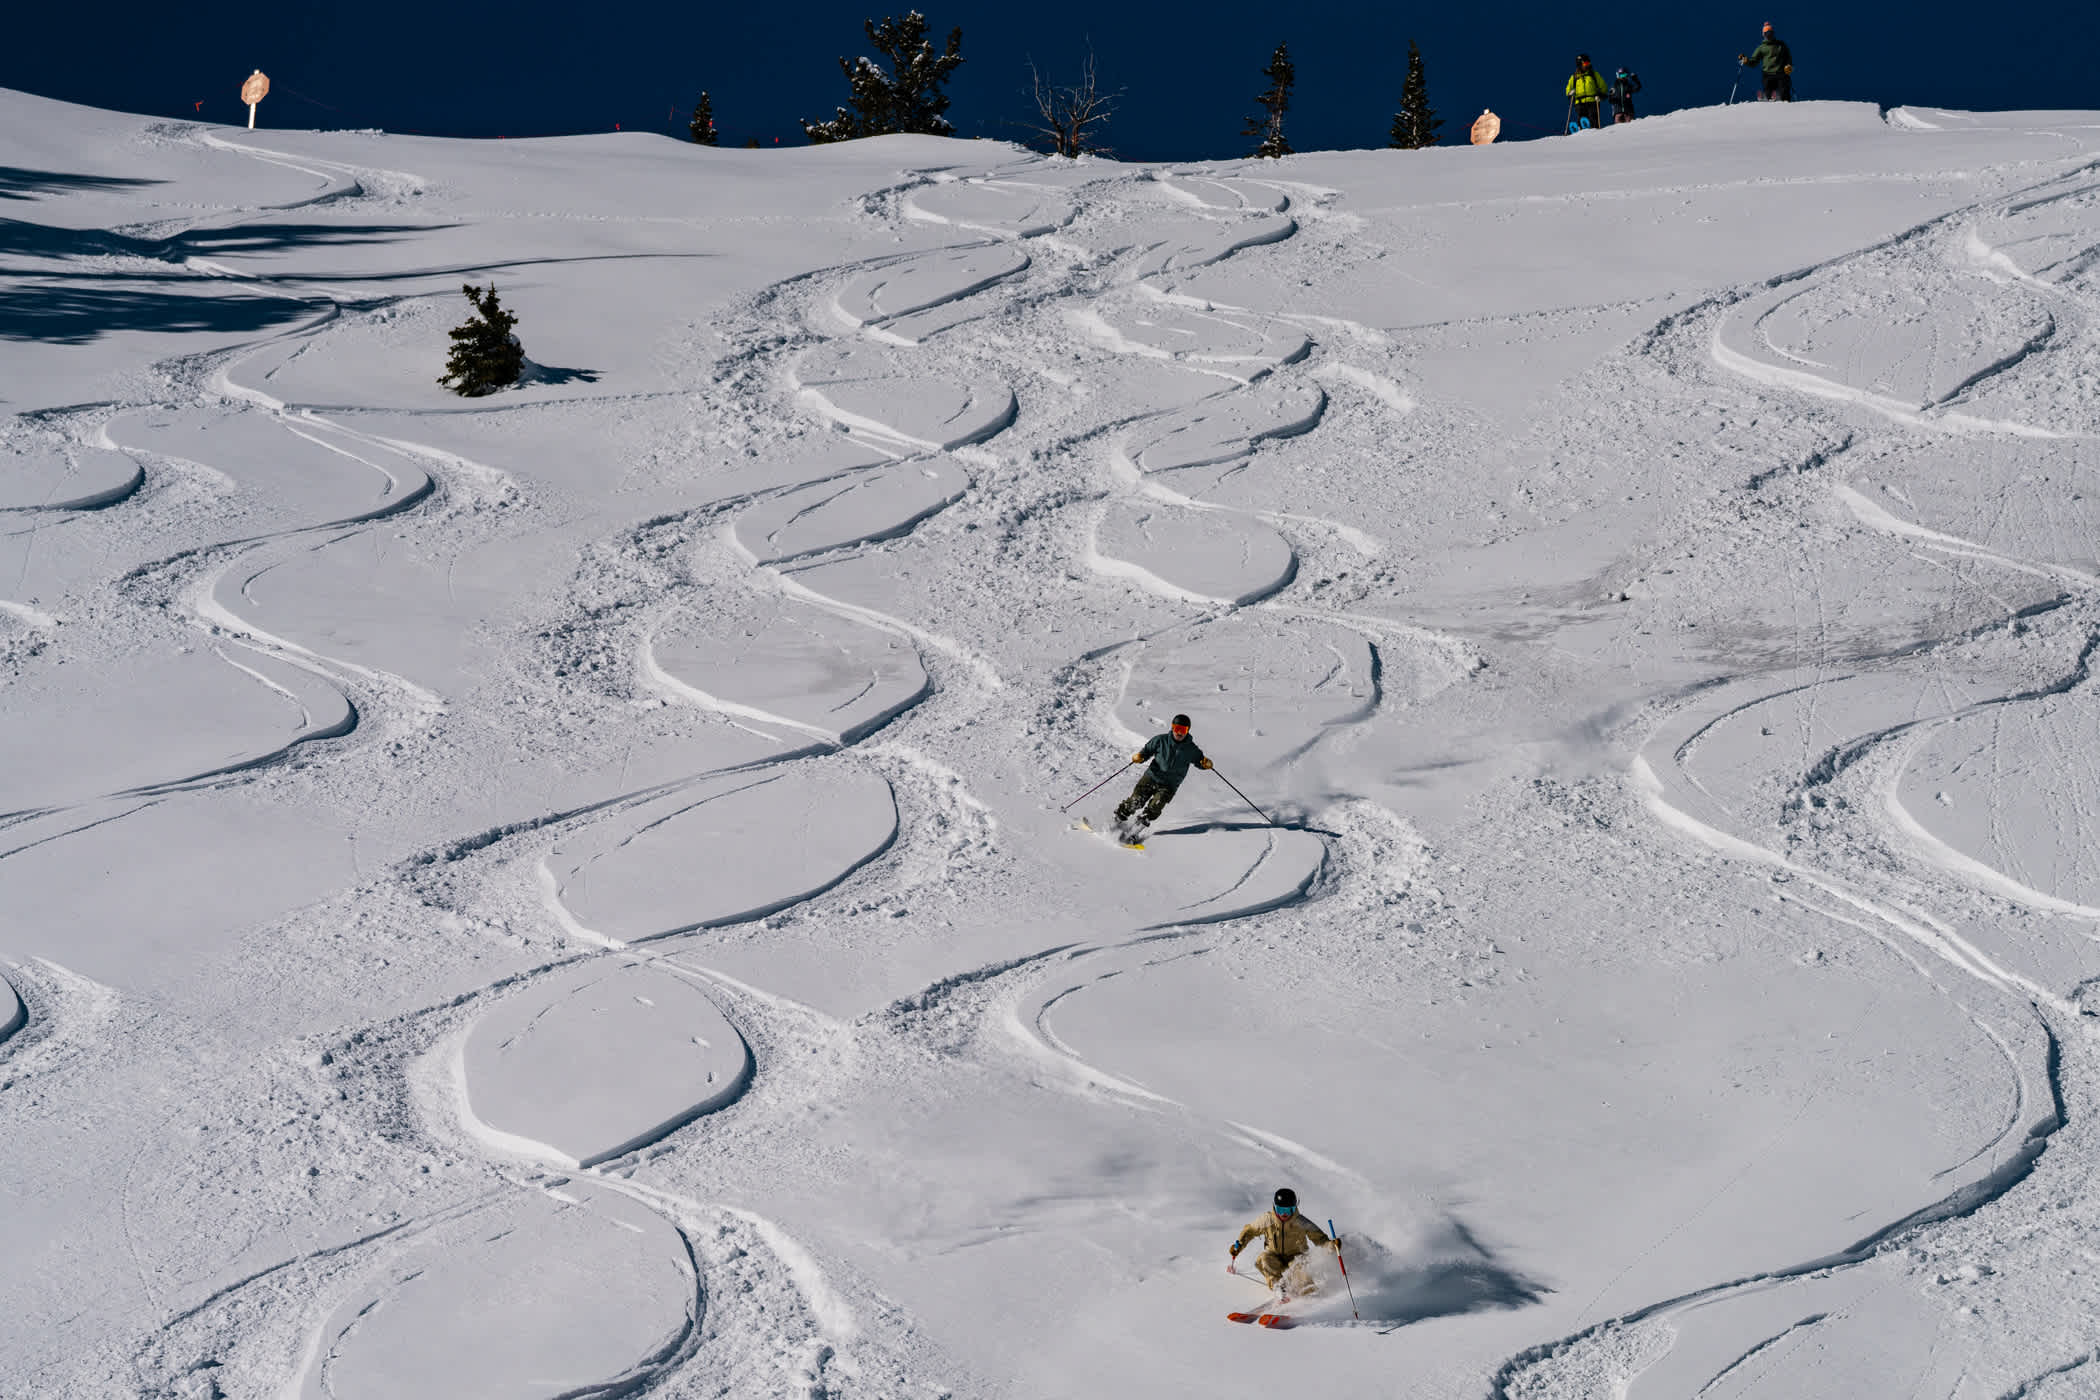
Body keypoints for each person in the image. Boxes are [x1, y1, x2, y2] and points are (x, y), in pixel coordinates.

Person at [1113, 713, 1211, 834]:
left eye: (1183, 730)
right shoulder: (1160, 740)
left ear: (1187, 731)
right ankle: (1115, 822)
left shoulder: (1191, 749)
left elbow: (1199, 760)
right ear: (1172, 727)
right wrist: (1140, 757)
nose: (1179, 733)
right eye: (1177, 728)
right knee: (1136, 801)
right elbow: (1147, 751)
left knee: (1155, 807)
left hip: (1169, 785)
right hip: (1151, 777)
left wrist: (1205, 764)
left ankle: (1134, 831)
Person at [1230, 1187, 1337, 1293]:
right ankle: (1279, 1290)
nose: (1283, 1214)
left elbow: (1320, 1238)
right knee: (1264, 1258)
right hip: (1274, 1259)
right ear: (1274, 1207)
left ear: (1294, 1208)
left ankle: (1308, 1294)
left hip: (1295, 1259)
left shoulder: (1301, 1222)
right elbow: (1250, 1230)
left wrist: (1331, 1245)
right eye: (1280, 1210)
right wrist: (1239, 1245)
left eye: (1288, 1210)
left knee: (1301, 1269)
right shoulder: (1267, 1220)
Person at [1740, 22, 1794, 102]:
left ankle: (1782, 99)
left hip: (1781, 73)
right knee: (1768, 90)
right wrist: (1746, 61)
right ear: (1763, 35)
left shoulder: (1781, 45)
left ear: (1773, 33)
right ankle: (1768, 97)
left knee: (1784, 90)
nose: (1769, 35)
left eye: (1770, 33)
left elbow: (1788, 57)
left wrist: (1789, 66)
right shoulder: (1761, 48)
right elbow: (1754, 61)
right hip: (1768, 74)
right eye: (1767, 33)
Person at [1566, 54, 1608, 131]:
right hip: (1579, 102)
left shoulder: (1593, 74)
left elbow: (1603, 86)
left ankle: (1594, 129)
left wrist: (1601, 95)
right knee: (1582, 117)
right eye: (1585, 63)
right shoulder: (1574, 77)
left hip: (1592, 100)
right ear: (1579, 64)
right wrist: (1570, 93)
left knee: (1592, 117)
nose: (1587, 65)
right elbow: (1568, 88)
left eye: (1588, 63)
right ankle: (1581, 129)